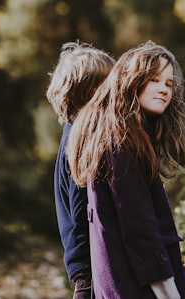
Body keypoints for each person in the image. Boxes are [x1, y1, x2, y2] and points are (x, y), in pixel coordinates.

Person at [68, 41, 185, 299]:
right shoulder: (121, 145)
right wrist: (170, 292)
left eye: (168, 83)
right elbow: (140, 230)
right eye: (154, 80)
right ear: (132, 81)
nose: (163, 89)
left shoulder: (123, 139)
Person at [46, 41, 116, 299]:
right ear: (84, 93)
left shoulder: (77, 134)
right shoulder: (80, 140)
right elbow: (81, 210)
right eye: (106, 86)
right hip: (89, 269)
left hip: (89, 265)